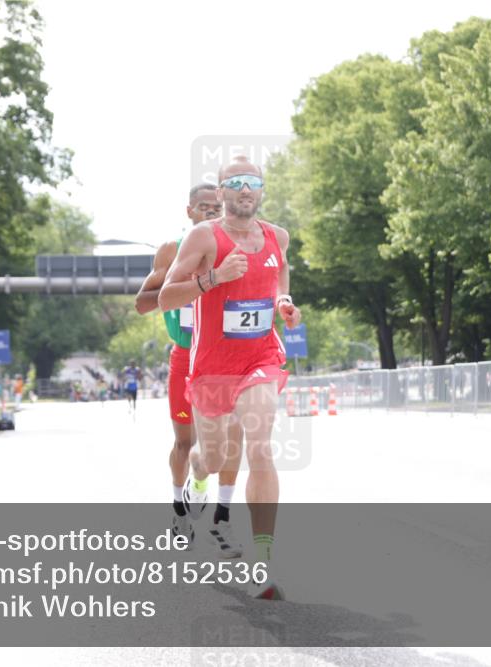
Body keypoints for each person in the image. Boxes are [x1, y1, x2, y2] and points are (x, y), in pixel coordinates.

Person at [159, 157, 302, 599]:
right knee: (212, 455)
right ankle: (198, 479)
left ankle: (262, 563)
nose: (246, 189)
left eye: (253, 183)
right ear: (220, 193)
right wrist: (215, 278)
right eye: (236, 183)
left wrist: (284, 306)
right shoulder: (204, 237)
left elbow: (279, 282)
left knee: (259, 447)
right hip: (212, 365)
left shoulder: (278, 236)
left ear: (261, 190)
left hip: (260, 356)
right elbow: (166, 296)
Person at [135, 183, 245, 557]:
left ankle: (223, 517)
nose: (212, 213)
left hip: (226, 357)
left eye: (218, 208)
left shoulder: (236, 247)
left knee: (233, 437)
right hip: (186, 355)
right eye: (204, 207)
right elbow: (142, 304)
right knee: (185, 441)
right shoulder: (172, 249)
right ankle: (179, 509)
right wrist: (182, 288)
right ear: (189, 211)